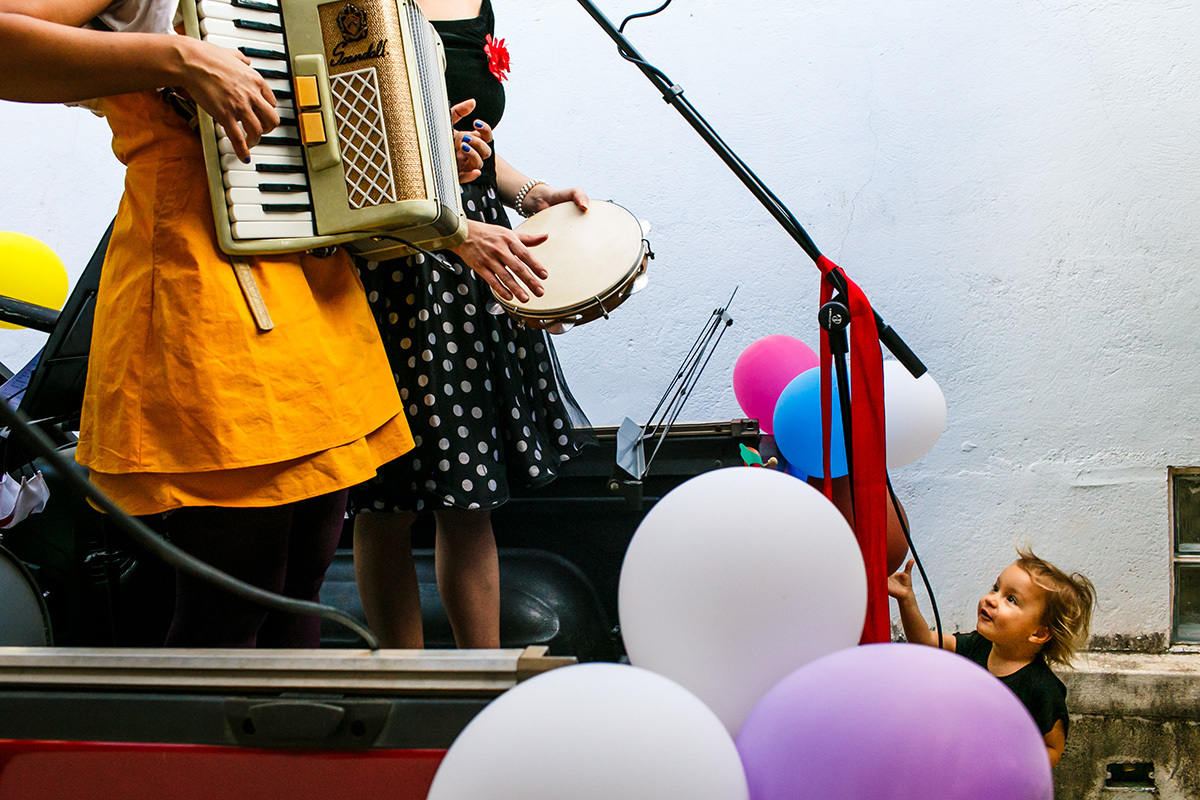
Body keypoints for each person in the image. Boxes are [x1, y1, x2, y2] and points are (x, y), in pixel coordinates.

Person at [0, 0, 414, 647]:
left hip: (312, 286)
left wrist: (406, 162)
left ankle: (295, 750)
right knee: (233, 600)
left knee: (300, 582)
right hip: (206, 288)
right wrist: (177, 56)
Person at [350, 0, 594, 650]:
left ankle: (478, 691)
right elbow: (343, 140)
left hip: (477, 248)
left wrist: (528, 192)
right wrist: (431, 165)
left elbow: (475, 140)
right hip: (396, 253)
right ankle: (404, 693)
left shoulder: (477, 3)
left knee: (468, 495)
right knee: (386, 502)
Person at [888, 546, 1096, 767]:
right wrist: (906, 600)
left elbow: (1053, 748)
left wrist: (1010, 764)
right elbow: (927, 643)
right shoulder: (978, 645)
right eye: (995, 588)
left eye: (1011, 599)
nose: (991, 599)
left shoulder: (1041, 688)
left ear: (1038, 633)